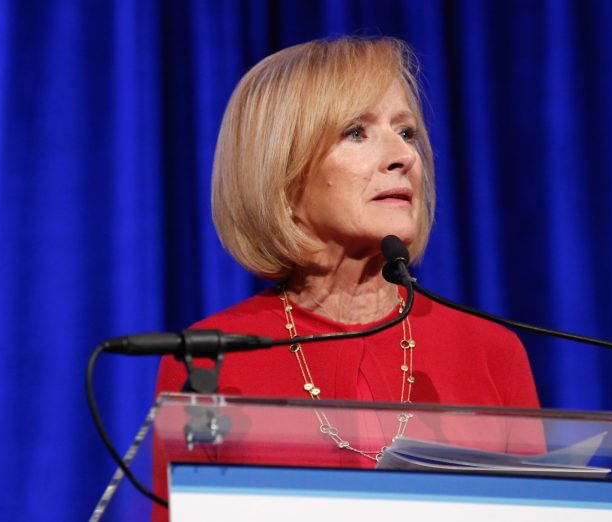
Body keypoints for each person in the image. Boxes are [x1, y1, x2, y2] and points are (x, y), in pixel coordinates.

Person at [153, 35, 542, 520]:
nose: (403, 157)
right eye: (356, 131)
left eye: (406, 132)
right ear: (284, 176)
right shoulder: (213, 360)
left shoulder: (488, 351)